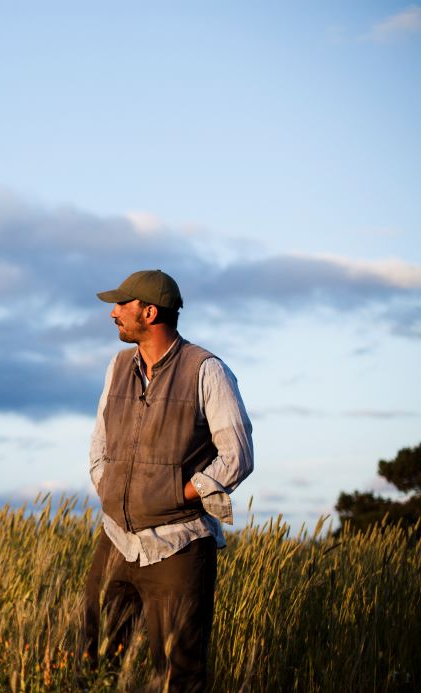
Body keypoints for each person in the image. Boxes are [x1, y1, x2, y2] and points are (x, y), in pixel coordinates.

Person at [83, 269, 253, 692]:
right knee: (94, 665)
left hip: (178, 547)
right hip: (116, 541)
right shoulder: (119, 365)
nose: (114, 313)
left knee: (179, 677)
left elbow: (237, 456)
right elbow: (99, 443)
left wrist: (175, 495)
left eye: (122, 304)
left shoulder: (206, 370)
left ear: (150, 311)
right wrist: (110, 490)